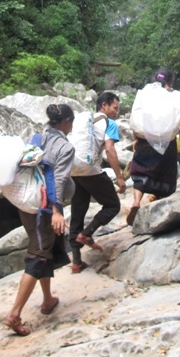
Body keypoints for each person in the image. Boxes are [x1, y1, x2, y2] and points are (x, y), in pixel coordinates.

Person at [4, 104, 75, 336]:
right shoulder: (65, 146)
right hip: (45, 208)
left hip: (26, 202)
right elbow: (59, 178)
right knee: (38, 252)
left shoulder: (34, 137)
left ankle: (47, 299)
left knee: (44, 248)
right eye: (71, 122)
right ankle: (14, 314)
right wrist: (57, 211)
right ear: (66, 122)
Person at [69, 92, 126, 274]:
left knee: (77, 212)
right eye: (115, 108)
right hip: (91, 171)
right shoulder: (109, 123)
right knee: (113, 205)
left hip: (73, 170)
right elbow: (109, 150)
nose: (117, 112)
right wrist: (119, 177)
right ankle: (86, 234)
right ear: (104, 106)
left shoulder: (86, 122)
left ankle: (76, 262)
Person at [127, 69, 180, 226]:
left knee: (141, 170)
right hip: (167, 142)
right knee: (165, 174)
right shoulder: (176, 96)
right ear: (171, 82)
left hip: (145, 139)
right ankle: (160, 210)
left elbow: (137, 116)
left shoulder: (145, 93)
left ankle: (136, 202)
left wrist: (135, 138)